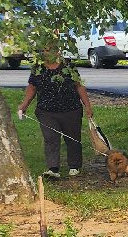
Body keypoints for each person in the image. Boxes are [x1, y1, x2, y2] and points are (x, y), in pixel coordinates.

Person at [17, 46, 94, 179]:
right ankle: (53, 169)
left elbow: (79, 86)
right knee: (50, 139)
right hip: (46, 111)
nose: (46, 53)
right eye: (44, 50)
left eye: (50, 49)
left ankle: (74, 166)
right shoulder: (38, 68)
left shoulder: (68, 66)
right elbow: (32, 87)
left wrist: (87, 105)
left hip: (71, 110)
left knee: (73, 139)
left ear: (57, 51)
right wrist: (24, 105)